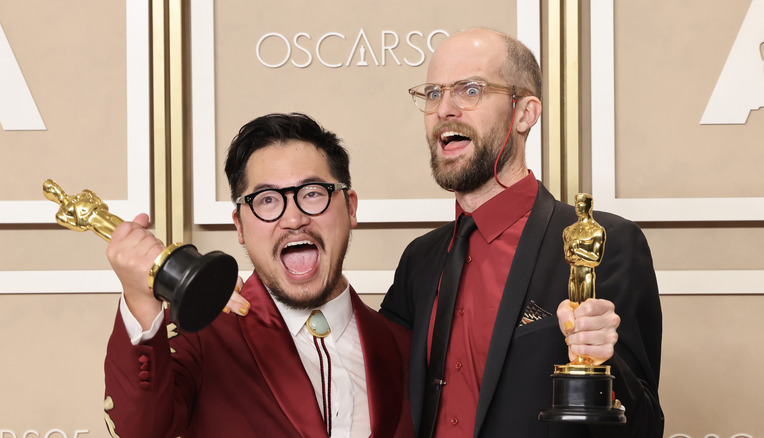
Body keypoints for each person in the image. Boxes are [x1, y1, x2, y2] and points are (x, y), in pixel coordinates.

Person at [379, 28, 663, 437]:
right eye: (433, 93)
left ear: (525, 113)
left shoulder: (604, 242)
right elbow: (368, 365)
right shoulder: (419, 259)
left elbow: (646, 425)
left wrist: (603, 361)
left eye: (470, 90)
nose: (444, 109)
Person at [103, 113, 413, 437]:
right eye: (267, 200)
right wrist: (140, 301)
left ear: (350, 208)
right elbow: (142, 430)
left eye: (312, 193)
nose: (293, 219)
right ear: (239, 225)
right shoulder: (200, 337)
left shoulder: (406, 347)